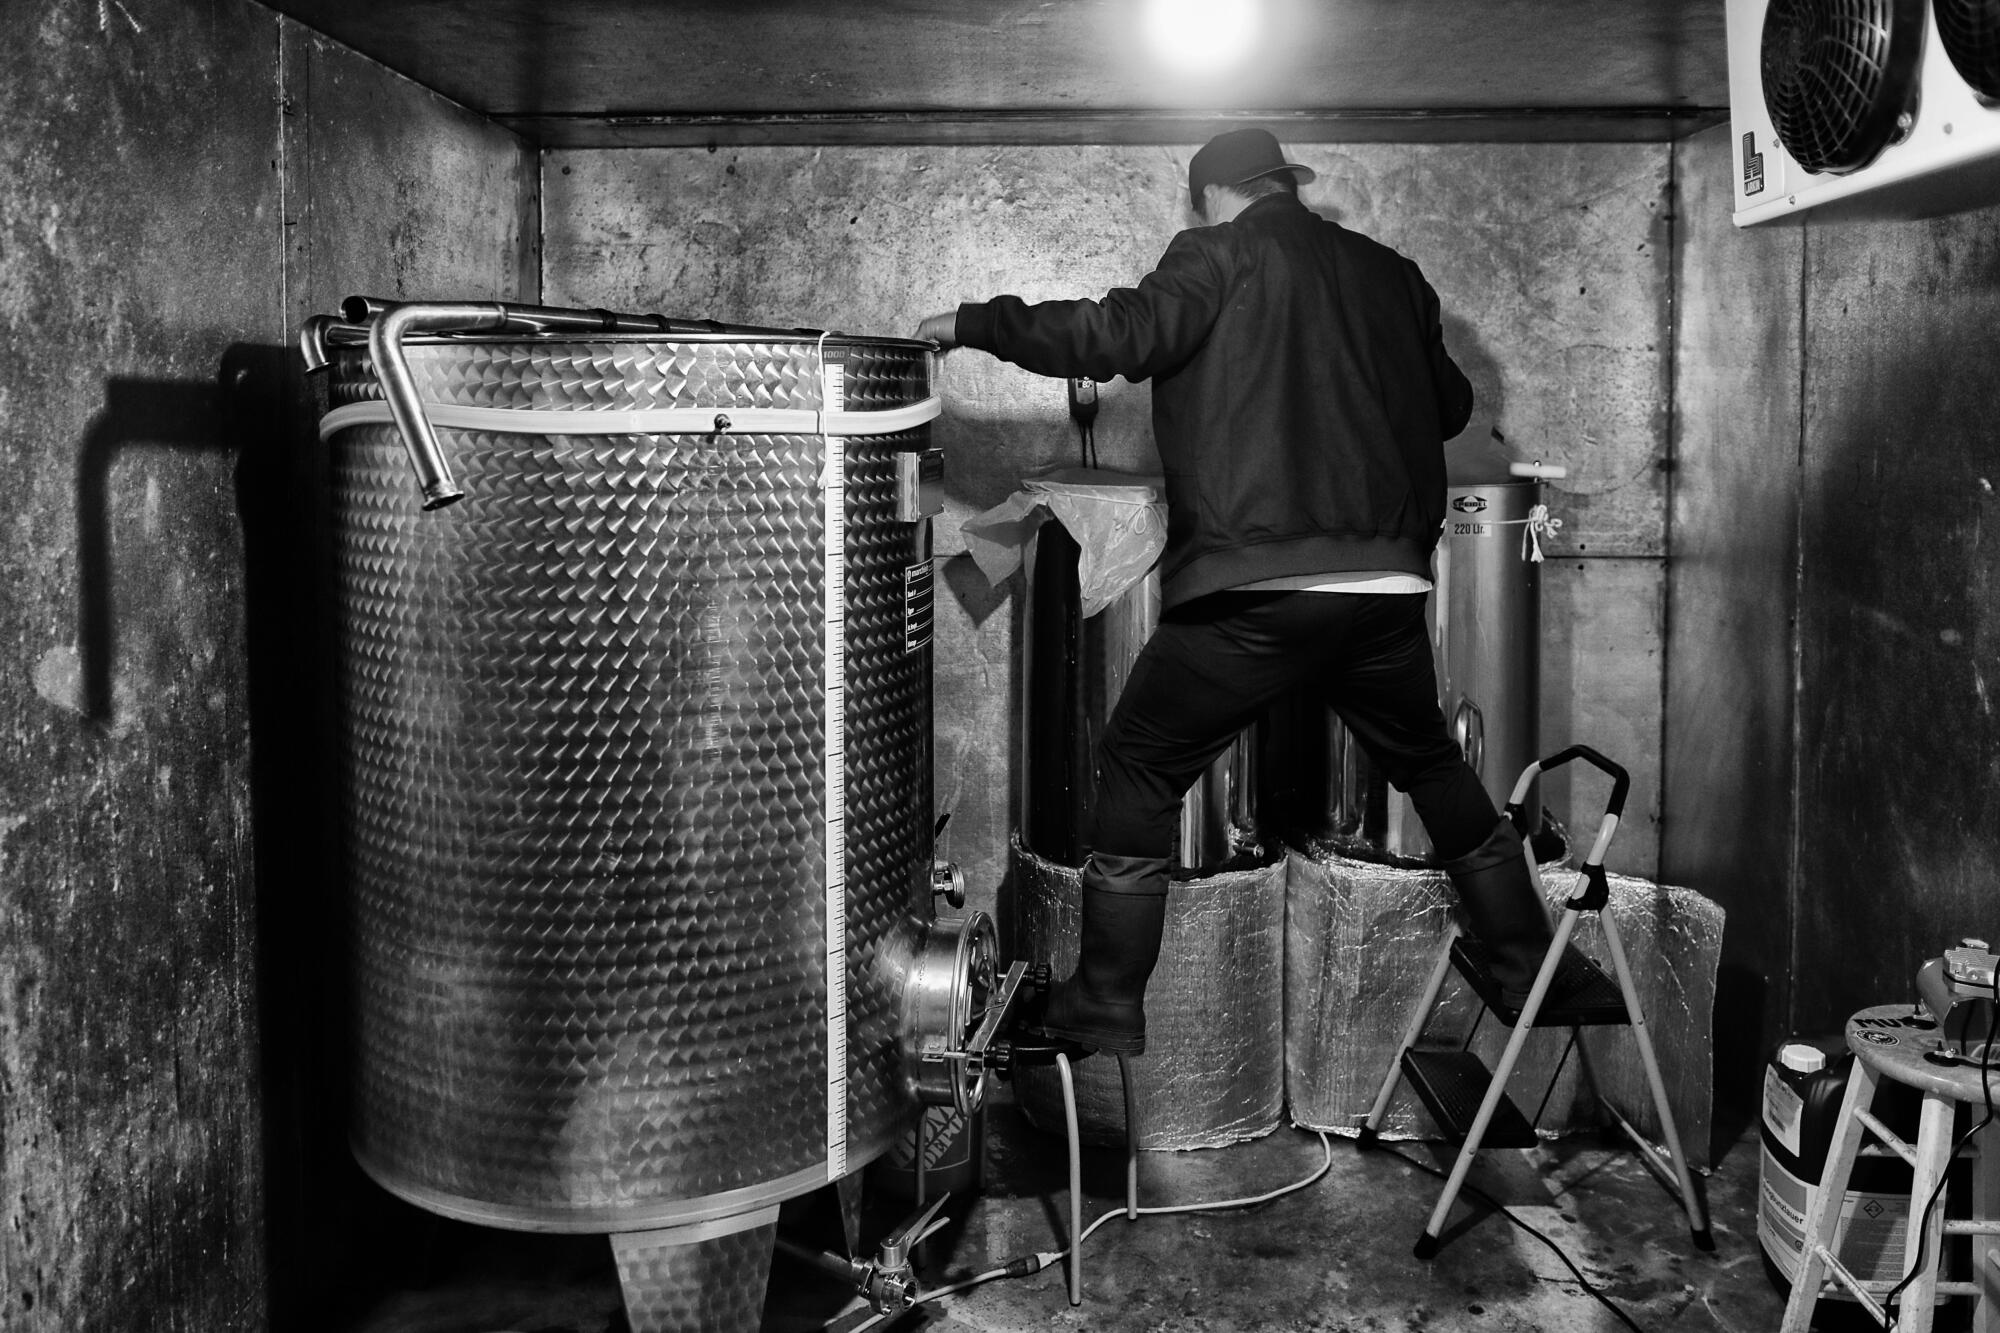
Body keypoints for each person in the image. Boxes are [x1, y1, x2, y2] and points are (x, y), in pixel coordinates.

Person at [914, 128, 1554, 1056]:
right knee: (1432, 764)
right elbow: (1451, 407)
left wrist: (976, 323)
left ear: (1211, 195)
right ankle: (1527, 953)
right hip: (1383, 590)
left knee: (1137, 764)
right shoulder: (1393, 275)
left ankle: (1103, 996)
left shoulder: (1211, 256)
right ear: (1281, 185)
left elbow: (1113, 334)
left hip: (1253, 587)